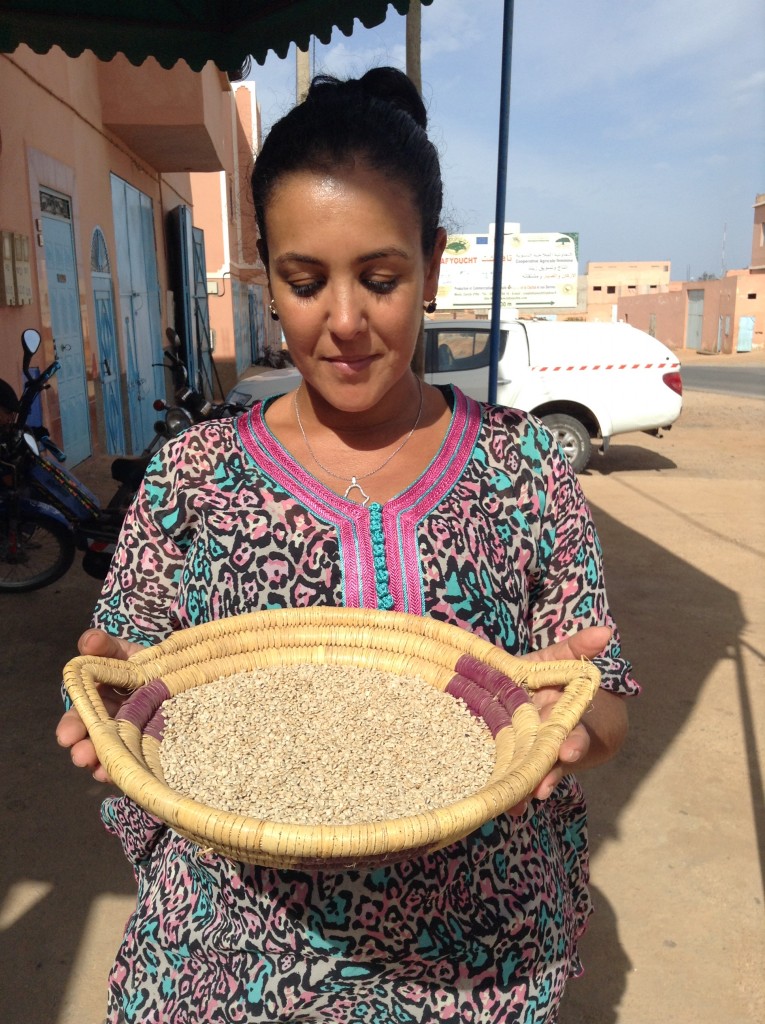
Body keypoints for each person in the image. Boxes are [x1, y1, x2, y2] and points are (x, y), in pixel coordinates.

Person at [57, 67, 637, 1023]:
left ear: (433, 265)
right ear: (264, 271)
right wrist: (111, 681)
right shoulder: (195, 474)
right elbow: (129, 661)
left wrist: (572, 727)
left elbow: (601, 686)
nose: (345, 322)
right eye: (303, 281)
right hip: (234, 954)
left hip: (469, 957)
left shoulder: (523, 463)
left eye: (380, 278)